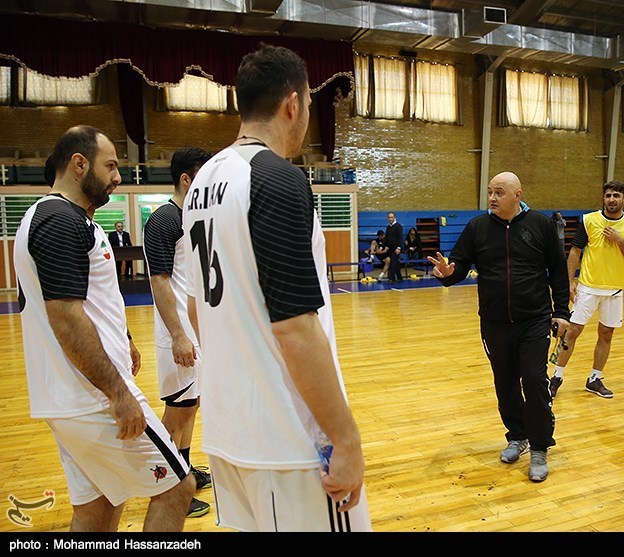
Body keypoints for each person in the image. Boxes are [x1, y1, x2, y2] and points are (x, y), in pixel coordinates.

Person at [183, 44, 371, 531]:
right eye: (309, 104)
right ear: (293, 104)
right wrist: (345, 438)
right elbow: (295, 328)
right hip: (287, 442)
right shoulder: (277, 179)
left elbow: (196, 306)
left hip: (227, 433)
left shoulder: (202, 182)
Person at [13, 125, 195, 532]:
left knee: (99, 510)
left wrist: (125, 337)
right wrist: (117, 394)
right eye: (110, 165)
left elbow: (91, 303)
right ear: (79, 164)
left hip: (73, 398)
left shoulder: (66, 219)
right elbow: (65, 316)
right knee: (178, 487)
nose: (117, 176)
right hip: (94, 399)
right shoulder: (59, 220)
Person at [427, 171, 570, 482]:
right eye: (490, 192)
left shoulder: (541, 225)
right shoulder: (478, 227)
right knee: (504, 384)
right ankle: (517, 436)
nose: (492, 198)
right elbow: (459, 267)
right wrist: (447, 274)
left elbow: (558, 270)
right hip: (493, 323)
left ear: (517, 195)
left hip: (534, 320)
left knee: (533, 381)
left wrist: (561, 311)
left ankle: (540, 447)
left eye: (499, 192)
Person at [143, 147, 214, 519]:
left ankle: (183, 469)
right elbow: (159, 281)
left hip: (194, 332)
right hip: (177, 334)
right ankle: (170, 489)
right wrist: (177, 335)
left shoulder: (193, 217)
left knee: (191, 406)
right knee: (178, 410)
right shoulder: (164, 220)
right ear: (186, 179)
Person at [548, 182, 624, 399]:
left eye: (617, 195)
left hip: (615, 290)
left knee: (606, 335)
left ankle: (594, 378)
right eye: (608, 195)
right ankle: (556, 377)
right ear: (603, 198)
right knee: (570, 332)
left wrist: (620, 240)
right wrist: (569, 282)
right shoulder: (589, 219)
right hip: (588, 288)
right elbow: (575, 251)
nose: (612, 199)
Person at [384, 212, 404, 283]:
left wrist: (399, 248)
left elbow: (400, 238)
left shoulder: (398, 226)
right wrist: (384, 247)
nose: (390, 219)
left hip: (396, 249)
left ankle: (391, 278)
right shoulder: (388, 227)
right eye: (389, 217)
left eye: (391, 217)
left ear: (394, 218)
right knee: (396, 264)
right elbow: (386, 238)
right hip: (390, 249)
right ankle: (400, 277)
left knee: (392, 263)